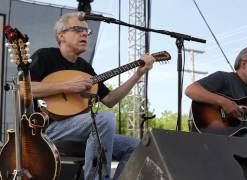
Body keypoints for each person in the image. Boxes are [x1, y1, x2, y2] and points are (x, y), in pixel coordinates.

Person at [29, 12, 155, 180]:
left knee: (135, 146)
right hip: (49, 128)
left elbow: (109, 100)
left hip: (83, 131)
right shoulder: (44, 56)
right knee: (104, 118)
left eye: (87, 31)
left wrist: (137, 74)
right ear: (61, 35)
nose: (84, 34)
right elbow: (27, 88)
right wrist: (68, 85)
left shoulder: (85, 67)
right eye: (78, 29)